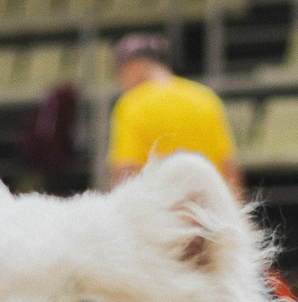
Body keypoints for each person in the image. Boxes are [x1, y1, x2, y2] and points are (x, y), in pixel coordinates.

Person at [104, 31, 244, 193]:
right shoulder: (205, 97)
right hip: (206, 209)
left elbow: (125, 172)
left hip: (160, 212)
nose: (120, 81)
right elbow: (229, 166)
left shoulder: (131, 104)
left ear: (135, 65)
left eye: (120, 71)